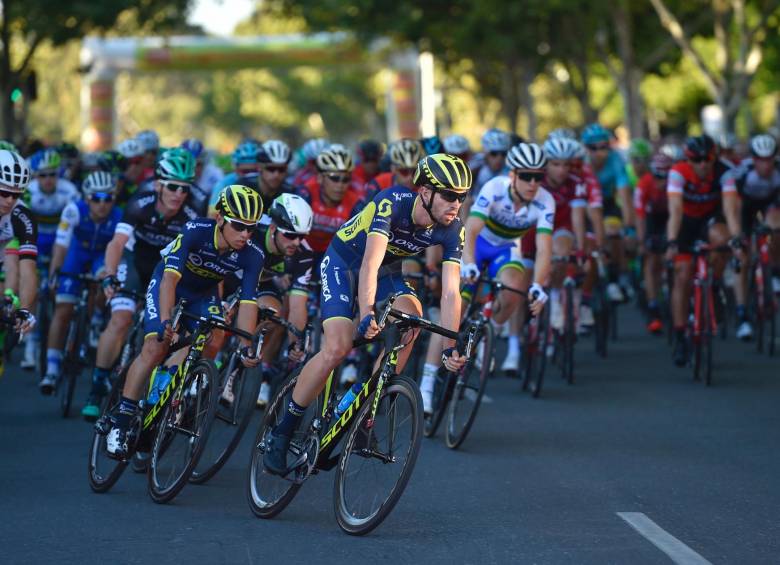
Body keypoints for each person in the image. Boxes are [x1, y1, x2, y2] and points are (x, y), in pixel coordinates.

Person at [263, 153, 472, 475]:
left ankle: (364, 411)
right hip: (345, 263)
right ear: (425, 192)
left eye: (461, 196)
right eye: (448, 195)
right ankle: (283, 430)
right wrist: (366, 313)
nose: (456, 204)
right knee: (337, 348)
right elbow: (369, 265)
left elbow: (450, 292)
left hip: (388, 273)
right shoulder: (392, 203)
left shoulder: (452, 228)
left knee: (411, 322)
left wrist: (450, 347)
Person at [106, 185, 265, 458]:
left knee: (215, 335)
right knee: (155, 346)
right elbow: (170, 279)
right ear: (220, 218)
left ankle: (183, 384)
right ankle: (121, 421)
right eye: (239, 226)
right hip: (169, 285)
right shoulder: (196, 230)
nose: (245, 234)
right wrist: (166, 320)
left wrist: (246, 345)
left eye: (251, 228)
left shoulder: (253, 255)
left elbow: (249, 302)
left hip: (203, 295)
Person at [80, 151, 200, 419]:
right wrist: (110, 274)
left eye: (185, 188)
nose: (179, 194)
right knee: (121, 319)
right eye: (172, 186)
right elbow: (117, 243)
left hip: (167, 271)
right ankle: (97, 387)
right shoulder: (140, 204)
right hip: (135, 262)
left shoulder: (192, 213)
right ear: (158, 185)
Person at [460, 143, 553, 376]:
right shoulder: (495, 187)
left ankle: (487, 335)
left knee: (514, 290)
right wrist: (468, 262)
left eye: (539, 177)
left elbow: (544, 249)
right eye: (526, 176)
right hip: (478, 243)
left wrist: (538, 285)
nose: (533, 183)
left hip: (506, 248)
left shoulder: (545, 200)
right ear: (513, 175)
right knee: (457, 303)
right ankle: (432, 376)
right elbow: (471, 229)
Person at [39, 171, 122, 394]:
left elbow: (119, 253)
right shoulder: (73, 210)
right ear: (87, 198)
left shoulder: (119, 216)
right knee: (63, 309)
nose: (102, 204)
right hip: (76, 254)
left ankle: (95, 319)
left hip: (101, 256)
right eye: (96, 198)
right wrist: (55, 273)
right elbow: (61, 245)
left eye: (108, 198)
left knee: (105, 279)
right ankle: (52, 368)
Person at [666, 135, 731, 366]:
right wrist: (672, 241)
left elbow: (731, 209)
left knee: (724, 240)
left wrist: (736, 238)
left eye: (707, 159)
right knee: (682, 275)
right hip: (685, 223)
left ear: (714, 158)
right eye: (697, 159)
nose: (703, 164)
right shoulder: (678, 172)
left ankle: (714, 284)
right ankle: (680, 334)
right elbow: (675, 210)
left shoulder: (725, 172)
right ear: (688, 159)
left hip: (710, 221)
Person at [246, 194, 314, 407]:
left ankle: (252, 364)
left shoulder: (303, 254)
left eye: (301, 236)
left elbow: (297, 306)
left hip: (262, 284)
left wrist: (295, 342)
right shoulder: (252, 231)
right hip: (231, 277)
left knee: (274, 315)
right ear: (273, 227)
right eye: (290, 235)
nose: (296, 242)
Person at [20, 149, 79, 369]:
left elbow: (75, 225)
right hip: (34, 238)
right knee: (32, 288)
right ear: (35, 176)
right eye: (42, 175)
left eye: (52, 174)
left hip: (60, 240)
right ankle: (30, 344)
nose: (48, 179)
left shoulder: (69, 191)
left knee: (57, 286)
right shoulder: (29, 191)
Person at [722, 134, 780, 340]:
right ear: (753, 159)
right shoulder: (740, 173)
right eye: (760, 160)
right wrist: (737, 236)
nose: (765, 165)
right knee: (742, 258)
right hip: (744, 209)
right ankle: (742, 315)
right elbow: (732, 209)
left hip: (770, 206)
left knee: (776, 225)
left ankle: (774, 271)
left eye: (769, 159)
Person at [581, 123, 635, 302]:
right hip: (584, 204)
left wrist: (629, 227)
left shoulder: (616, 159)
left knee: (613, 233)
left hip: (608, 203)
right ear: (585, 148)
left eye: (604, 147)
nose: (599, 152)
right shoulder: (580, 162)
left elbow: (625, 196)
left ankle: (614, 278)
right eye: (593, 148)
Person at [0, 150, 38, 374]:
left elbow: (28, 269)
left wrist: (24, 309)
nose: (10, 200)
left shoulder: (23, 216)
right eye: (4, 192)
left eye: (16, 195)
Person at [635, 153, 673, 334]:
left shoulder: (676, 184)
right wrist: (642, 242)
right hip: (652, 220)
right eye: (659, 177)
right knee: (651, 260)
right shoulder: (644, 184)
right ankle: (653, 305)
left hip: (671, 218)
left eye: (666, 177)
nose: (662, 182)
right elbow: (640, 216)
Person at [181, 138, 225, 208]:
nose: (194, 169)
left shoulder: (215, 173)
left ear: (204, 163)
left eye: (198, 164)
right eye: (189, 164)